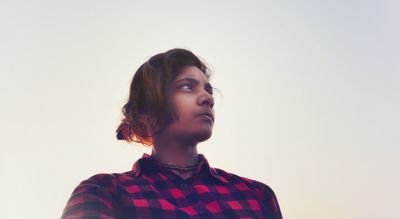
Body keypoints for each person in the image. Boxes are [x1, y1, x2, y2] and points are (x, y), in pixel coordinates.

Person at [61, 48, 283, 219]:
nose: (208, 98)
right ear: (147, 110)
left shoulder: (257, 196)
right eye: (187, 86)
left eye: (208, 89)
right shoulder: (104, 192)